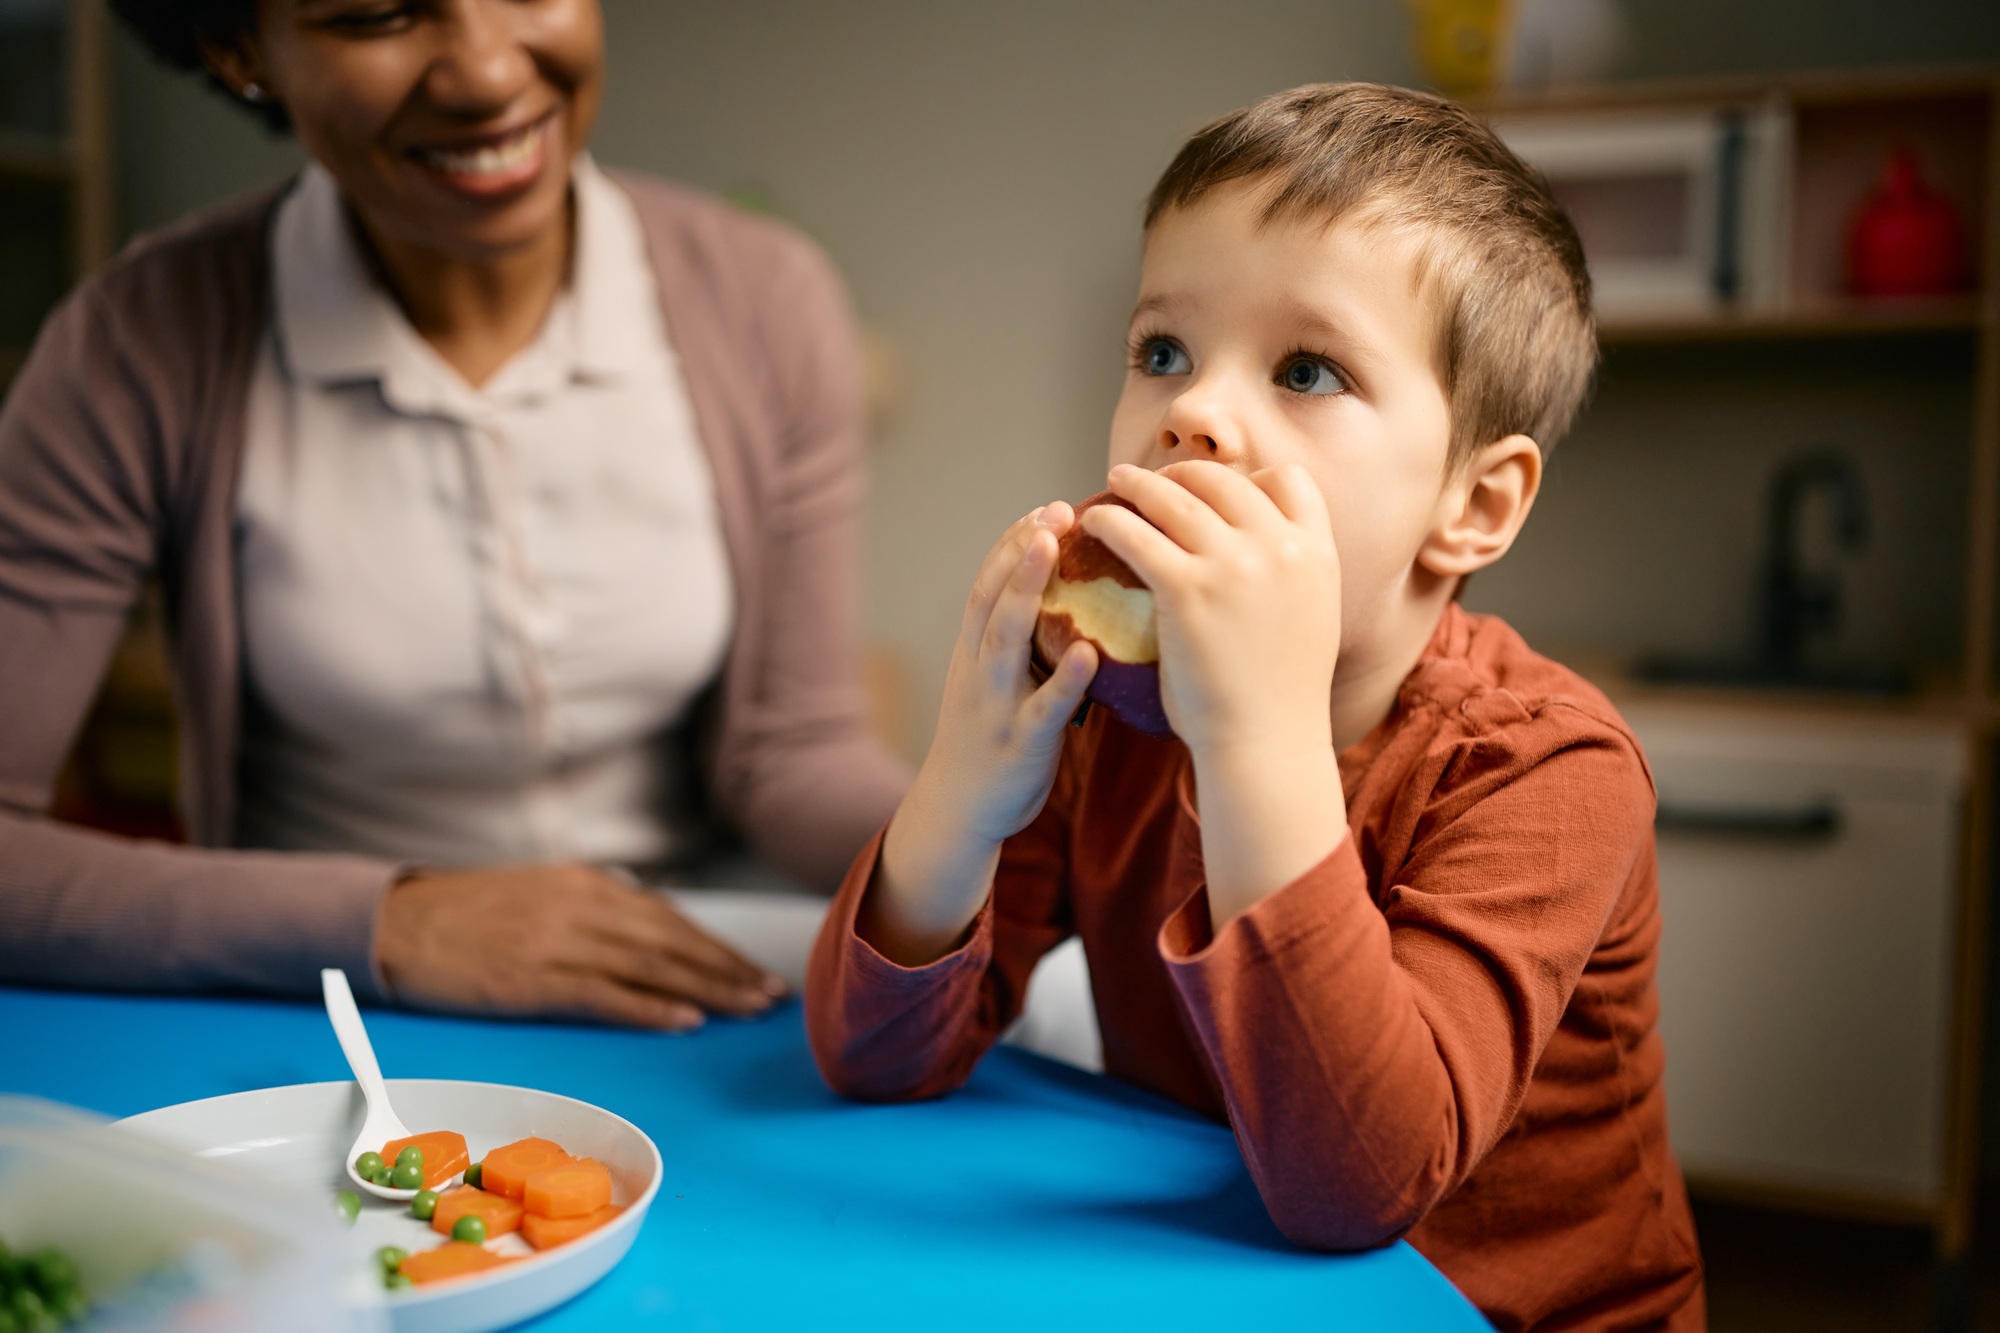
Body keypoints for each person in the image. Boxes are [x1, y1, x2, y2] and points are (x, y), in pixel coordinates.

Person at [805, 83, 1703, 1332]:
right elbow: (871, 1061)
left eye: (1304, 369)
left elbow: (1357, 1182)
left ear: (1474, 506)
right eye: (1161, 350)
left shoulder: (1548, 772)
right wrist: (960, 791)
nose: (1192, 412)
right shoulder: (1110, 708)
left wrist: (1253, 738)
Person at [0, 0, 908, 1029]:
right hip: (331, 1006)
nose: (482, 72)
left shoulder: (763, 296)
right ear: (237, 48)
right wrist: (390, 919)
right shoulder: (136, 345)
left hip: (696, 983)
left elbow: (793, 754)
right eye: (377, 13)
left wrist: (1010, 837)